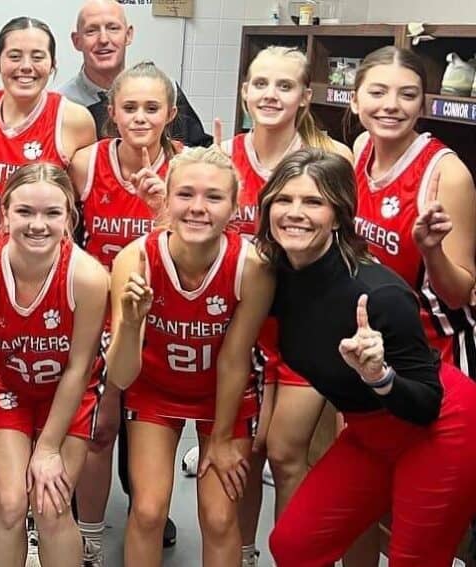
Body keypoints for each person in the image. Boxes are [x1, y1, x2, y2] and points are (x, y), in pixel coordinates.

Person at [259, 148, 476, 567]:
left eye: (313, 202)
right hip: (370, 432)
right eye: (283, 200)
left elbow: (427, 403)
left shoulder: (379, 293)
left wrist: (379, 376)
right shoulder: (274, 275)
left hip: (439, 427)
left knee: (414, 560)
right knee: (294, 545)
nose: (295, 213)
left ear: (340, 215)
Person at [0, 18, 96, 565]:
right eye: (14, 54)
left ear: (55, 65)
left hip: (50, 291)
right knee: (3, 491)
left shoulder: (74, 121)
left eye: (38, 56)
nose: (25, 65)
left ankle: (44, 521)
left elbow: (94, 188)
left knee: (53, 504)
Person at [205, 45, 353, 566]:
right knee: (246, 454)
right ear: (244, 90)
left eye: (284, 86)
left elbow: (346, 248)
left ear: (305, 96)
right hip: (240, 330)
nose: (270, 95)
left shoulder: (330, 159)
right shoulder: (222, 154)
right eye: (260, 84)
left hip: (304, 326)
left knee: (289, 455)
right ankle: (243, 554)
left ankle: (296, 557)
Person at [106, 146, 272, 566]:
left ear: (234, 207)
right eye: (185, 194)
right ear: (166, 201)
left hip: (224, 396)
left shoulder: (252, 266)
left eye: (214, 197)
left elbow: (236, 359)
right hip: (154, 390)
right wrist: (129, 321)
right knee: (146, 512)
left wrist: (218, 441)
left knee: (218, 517)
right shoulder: (136, 259)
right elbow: (122, 376)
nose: (198, 208)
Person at [0, 163, 109, 567]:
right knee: (7, 505)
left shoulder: (88, 277)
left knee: (50, 505)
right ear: (3, 213)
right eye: (24, 212)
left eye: (52, 213)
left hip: (66, 393)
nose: (37, 224)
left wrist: (48, 448)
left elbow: (79, 369)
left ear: (69, 218)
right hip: (5, 388)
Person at [66, 60, 177, 566]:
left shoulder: (185, 167)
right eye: (129, 107)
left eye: (151, 108)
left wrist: (162, 211)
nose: (139, 117)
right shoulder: (87, 163)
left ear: (170, 114)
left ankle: (146, 512)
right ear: (111, 112)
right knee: (99, 426)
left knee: (149, 425)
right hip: (95, 317)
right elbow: (64, 236)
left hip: (160, 316)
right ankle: (89, 532)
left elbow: (197, 245)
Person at [350, 46, 476, 375]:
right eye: (377, 92)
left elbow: (458, 294)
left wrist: (432, 251)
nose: (391, 105)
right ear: (355, 100)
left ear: (422, 106)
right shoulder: (362, 147)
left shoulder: (446, 174)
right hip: (377, 342)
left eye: (407, 95)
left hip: (437, 351)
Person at [59, 0, 212, 146]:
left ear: (128, 35)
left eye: (113, 28)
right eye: (91, 31)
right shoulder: (62, 105)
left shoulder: (164, 89)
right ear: (77, 41)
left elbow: (197, 149)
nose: (104, 39)